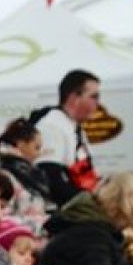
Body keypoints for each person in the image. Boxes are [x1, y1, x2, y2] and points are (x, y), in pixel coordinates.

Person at [33, 69, 102, 200]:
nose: (97, 103)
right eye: (93, 97)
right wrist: (91, 201)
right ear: (74, 98)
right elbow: (50, 180)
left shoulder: (72, 126)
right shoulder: (52, 126)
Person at [0, 116, 55, 230]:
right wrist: (43, 222)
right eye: (36, 148)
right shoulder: (4, 174)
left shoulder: (27, 172)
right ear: (21, 144)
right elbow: (3, 215)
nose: (39, 153)